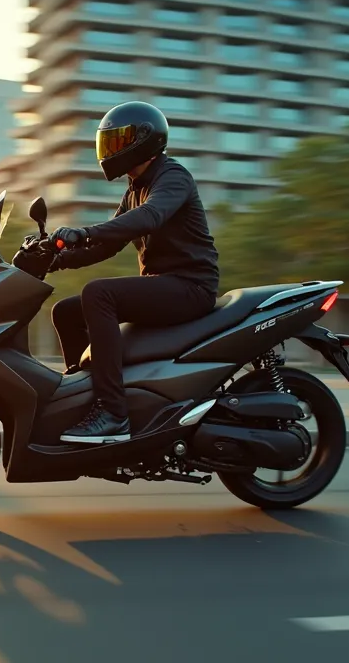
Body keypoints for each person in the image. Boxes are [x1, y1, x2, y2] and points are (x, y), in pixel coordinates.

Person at [47, 101, 220, 443]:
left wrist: (84, 231)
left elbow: (151, 216)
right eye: (107, 143)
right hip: (164, 286)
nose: (110, 151)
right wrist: (54, 260)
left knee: (98, 293)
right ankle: (80, 396)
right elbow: (107, 245)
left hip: (191, 287)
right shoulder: (134, 190)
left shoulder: (173, 178)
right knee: (66, 311)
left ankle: (112, 412)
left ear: (142, 141)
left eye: (117, 142)